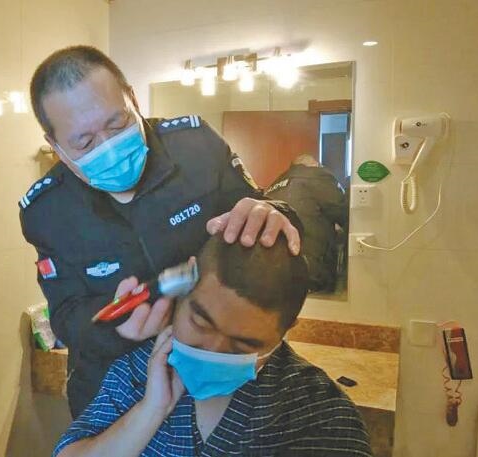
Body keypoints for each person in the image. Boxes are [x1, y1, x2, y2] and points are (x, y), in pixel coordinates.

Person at [19, 45, 302, 418]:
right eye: (84, 142)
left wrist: (275, 213)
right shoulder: (47, 211)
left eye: (117, 124)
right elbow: (67, 316)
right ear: (55, 146)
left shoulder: (195, 147)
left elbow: (262, 223)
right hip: (114, 391)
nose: (109, 147)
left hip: (216, 368)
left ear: (133, 99)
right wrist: (118, 328)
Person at [53, 234, 372, 456]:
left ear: (284, 333)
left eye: (243, 344)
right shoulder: (138, 371)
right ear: (181, 296)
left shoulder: (318, 412)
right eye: (200, 323)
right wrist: (151, 410)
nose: (212, 350)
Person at [265, 153, 349, 293]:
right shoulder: (318, 176)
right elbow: (347, 215)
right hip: (310, 271)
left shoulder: (274, 185)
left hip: (273, 272)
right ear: (315, 165)